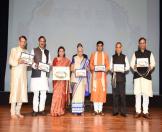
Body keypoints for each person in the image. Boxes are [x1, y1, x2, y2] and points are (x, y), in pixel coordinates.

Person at [130, 37, 155, 119]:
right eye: (140, 43)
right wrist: (134, 66)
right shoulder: (135, 53)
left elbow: (153, 64)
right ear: (138, 44)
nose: (142, 44)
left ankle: (145, 112)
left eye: (143, 42)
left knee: (146, 94)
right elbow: (131, 64)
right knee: (137, 94)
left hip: (146, 77)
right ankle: (138, 111)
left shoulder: (150, 53)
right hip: (137, 77)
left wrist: (150, 66)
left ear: (146, 44)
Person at [30, 36, 51, 116]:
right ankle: (35, 110)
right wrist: (36, 66)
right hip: (36, 75)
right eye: (41, 41)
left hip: (44, 76)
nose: (42, 42)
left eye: (44, 41)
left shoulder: (47, 52)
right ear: (38, 41)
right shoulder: (34, 50)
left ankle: (41, 109)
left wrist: (48, 66)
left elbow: (49, 62)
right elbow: (30, 61)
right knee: (36, 93)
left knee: (43, 94)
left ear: (45, 42)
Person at [9, 35, 28, 119]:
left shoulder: (26, 51)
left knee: (22, 93)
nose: (23, 43)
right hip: (16, 74)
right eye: (22, 41)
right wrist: (18, 61)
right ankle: (13, 113)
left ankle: (18, 111)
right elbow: (10, 61)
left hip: (23, 75)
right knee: (15, 92)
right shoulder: (14, 49)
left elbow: (28, 64)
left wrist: (30, 62)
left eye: (24, 42)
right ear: (19, 41)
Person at [110, 42, 130, 117]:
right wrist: (113, 69)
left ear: (121, 48)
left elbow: (128, 67)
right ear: (115, 48)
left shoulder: (125, 57)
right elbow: (110, 67)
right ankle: (115, 111)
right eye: (117, 47)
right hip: (114, 78)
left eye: (119, 47)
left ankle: (123, 112)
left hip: (122, 79)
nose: (118, 48)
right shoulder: (112, 57)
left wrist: (122, 69)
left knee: (122, 95)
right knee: (115, 96)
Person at [90, 41, 109, 116]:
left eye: (101, 46)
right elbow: (90, 64)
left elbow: (108, 66)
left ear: (103, 46)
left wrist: (104, 69)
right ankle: (95, 110)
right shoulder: (93, 54)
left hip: (102, 78)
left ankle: (100, 110)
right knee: (95, 93)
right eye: (98, 46)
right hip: (95, 77)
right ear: (96, 46)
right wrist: (94, 68)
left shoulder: (105, 55)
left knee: (101, 93)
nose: (100, 47)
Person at [50, 46, 71, 116]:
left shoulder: (67, 60)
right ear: (58, 52)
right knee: (56, 95)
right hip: (57, 81)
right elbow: (54, 69)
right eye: (60, 51)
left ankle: (60, 110)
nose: (61, 52)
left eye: (62, 51)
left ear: (64, 52)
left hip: (63, 81)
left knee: (62, 95)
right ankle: (54, 110)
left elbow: (68, 70)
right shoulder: (55, 59)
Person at [70, 43, 90, 115]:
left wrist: (86, 69)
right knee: (75, 95)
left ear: (83, 51)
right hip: (75, 79)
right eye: (79, 51)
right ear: (77, 51)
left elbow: (88, 69)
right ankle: (75, 111)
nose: (80, 52)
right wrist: (78, 72)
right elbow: (71, 69)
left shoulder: (85, 59)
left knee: (81, 95)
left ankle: (81, 110)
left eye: (81, 51)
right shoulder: (74, 58)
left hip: (82, 80)